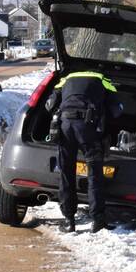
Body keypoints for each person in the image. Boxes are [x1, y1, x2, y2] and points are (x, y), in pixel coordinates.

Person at [48, 70, 121, 233]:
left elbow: (49, 105)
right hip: (88, 128)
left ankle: (69, 220)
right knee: (94, 173)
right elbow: (117, 110)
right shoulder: (103, 79)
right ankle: (98, 220)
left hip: (65, 127)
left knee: (66, 172)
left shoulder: (65, 80)